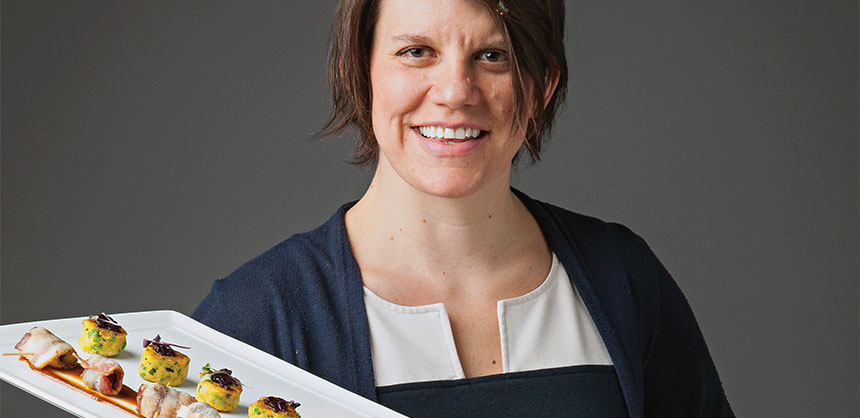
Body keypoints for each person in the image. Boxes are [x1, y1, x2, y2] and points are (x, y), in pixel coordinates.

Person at [193, 0, 734, 416]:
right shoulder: (252, 320)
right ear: (360, 70)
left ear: (542, 85)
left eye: (493, 56)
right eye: (416, 52)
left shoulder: (624, 280)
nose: (455, 92)